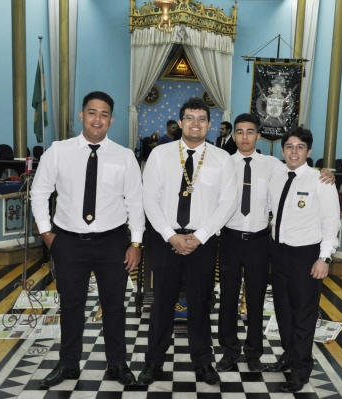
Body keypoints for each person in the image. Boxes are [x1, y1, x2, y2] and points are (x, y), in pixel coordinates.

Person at [31, 91, 145, 388]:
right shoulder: (58, 151)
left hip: (112, 242)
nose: (98, 119)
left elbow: (135, 202)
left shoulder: (124, 156)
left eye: (104, 114)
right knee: (70, 305)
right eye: (92, 112)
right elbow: (40, 192)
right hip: (67, 241)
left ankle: (117, 363)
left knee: (115, 306)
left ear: (112, 120)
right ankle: (68, 364)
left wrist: (135, 243)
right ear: (81, 116)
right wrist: (46, 233)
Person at [216, 114, 335, 374]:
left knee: (257, 298)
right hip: (229, 239)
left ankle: (254, 351)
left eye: (250, 132)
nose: (245, 137)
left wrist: (326, 172)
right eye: (239, 132)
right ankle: (229, 350)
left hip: (260, 241)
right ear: (233, 135)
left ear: (259, 135)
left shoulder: (273, 165)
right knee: (227, 297)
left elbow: (302, 172)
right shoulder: (222, 163)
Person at [140, 97, 237, 386]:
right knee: (162, 303)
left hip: (203, 242)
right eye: (190, 117)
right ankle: (154, 362)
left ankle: (203, 362)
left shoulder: (221, 159)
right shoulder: (160, 154)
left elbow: (227, 203)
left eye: (202, 118)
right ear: (180, 122)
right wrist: (171, 235)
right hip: (165, 239)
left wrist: (200, 237)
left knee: (200, 303)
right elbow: (149, 198)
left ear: (210, 124)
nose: (196, 123)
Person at [264, 126, 340, 393]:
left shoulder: (321, 180)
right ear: (282, 149)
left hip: (306, 255)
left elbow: (332, 222)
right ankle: (289, 354)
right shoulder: (276, 175)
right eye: (289, 146)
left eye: (299, 147)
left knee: (304, 314)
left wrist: (325, 258)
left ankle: (301, 369)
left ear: (308, 151)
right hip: (280, 252)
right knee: (283, 311)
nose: (293, 151)